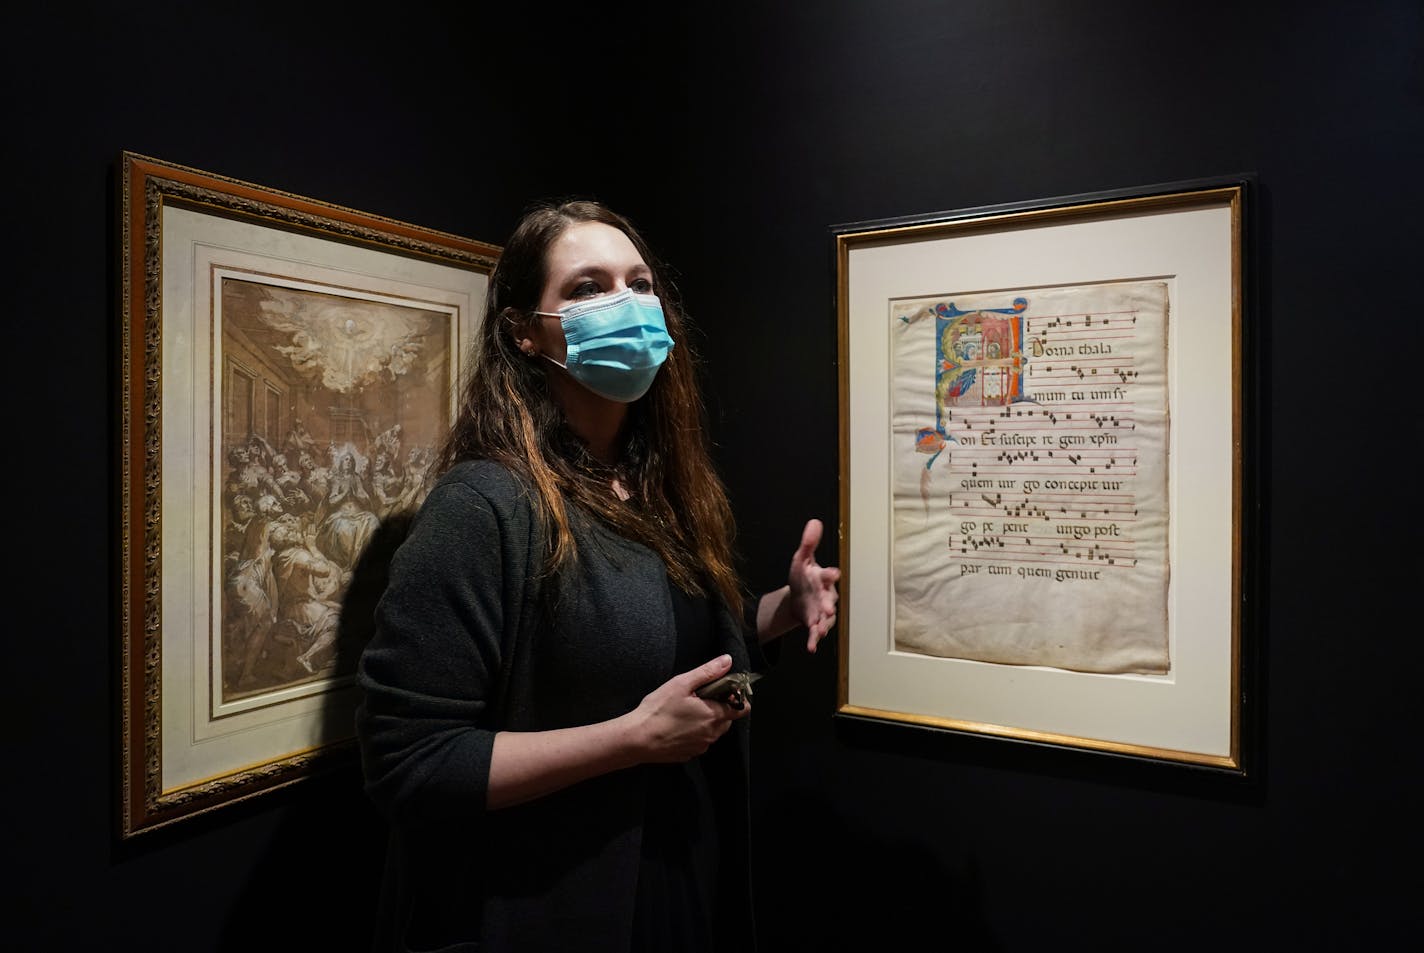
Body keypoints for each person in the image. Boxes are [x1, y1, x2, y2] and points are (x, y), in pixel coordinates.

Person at [355, 199, 840, 953]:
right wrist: (630, 738)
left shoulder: (649, 482)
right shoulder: (482, 505)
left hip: (669, 876)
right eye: (587, 288)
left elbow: (644, 640)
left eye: (640, 282)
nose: (628, 305)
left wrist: (775, 610)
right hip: (546, 905)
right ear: (522, 329)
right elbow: (409, 762)